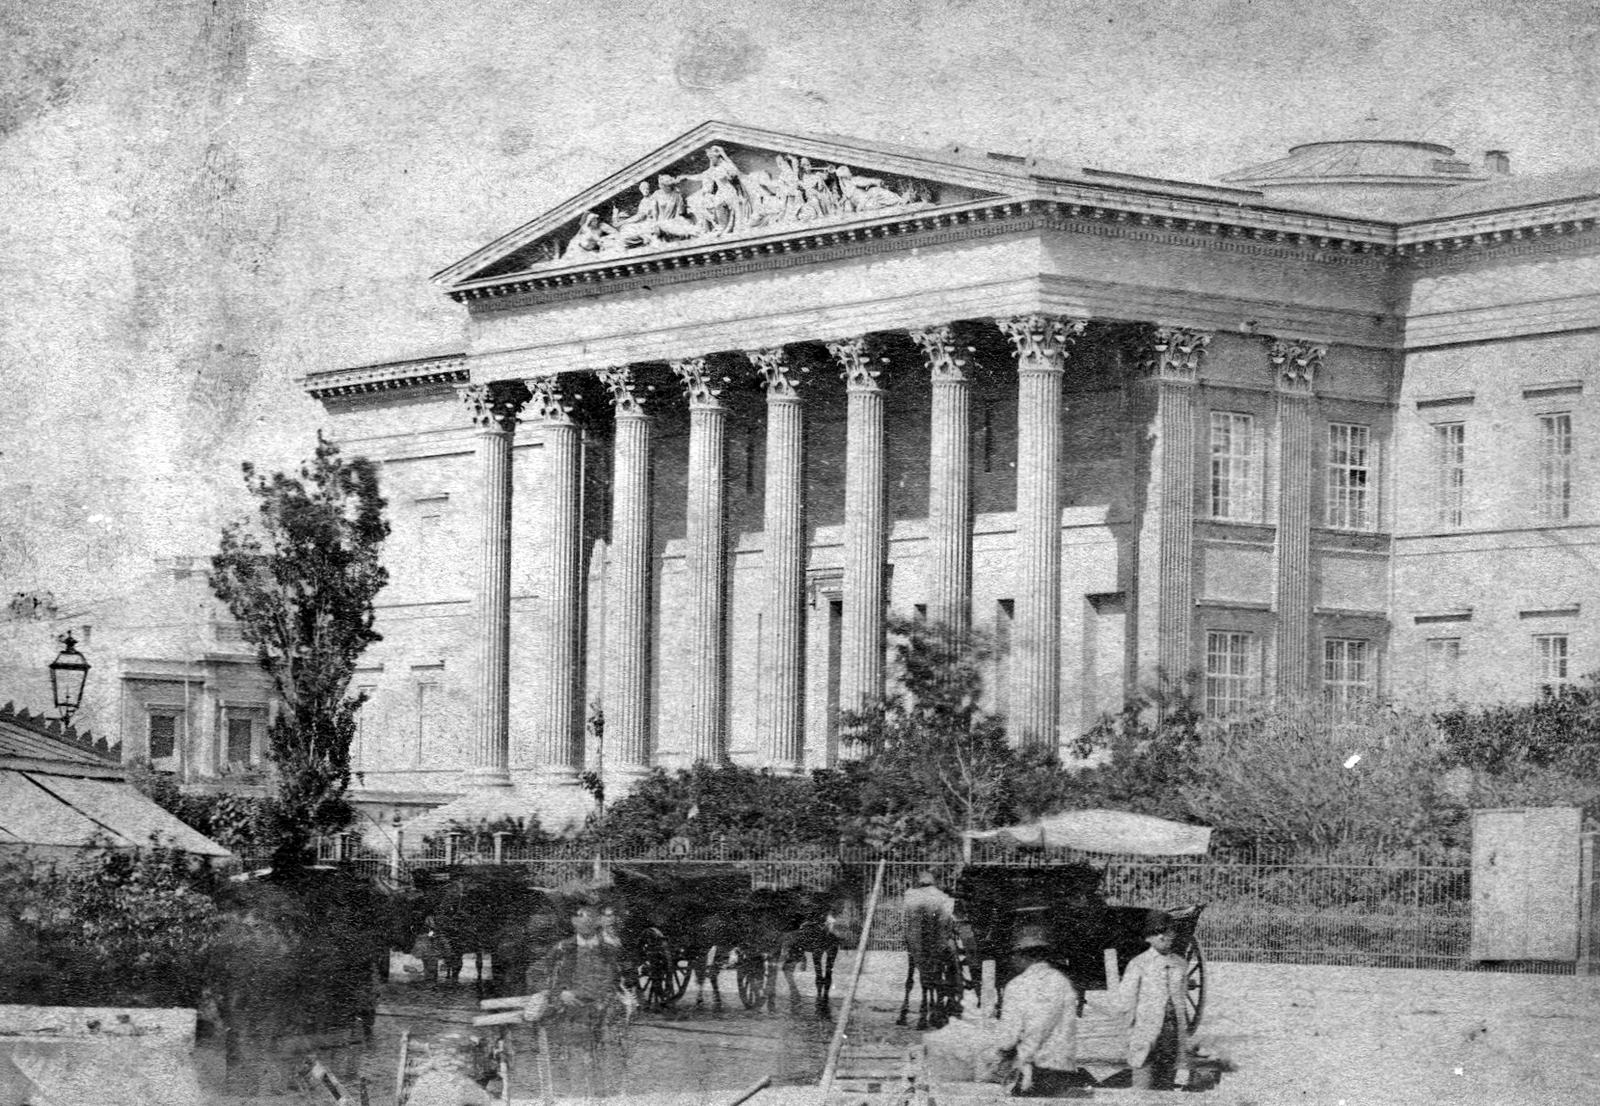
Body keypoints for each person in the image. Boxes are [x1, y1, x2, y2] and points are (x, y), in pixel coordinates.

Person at [994, 926, 1079, 1096]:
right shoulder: (1062, 982)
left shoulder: (1018, 985)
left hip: (1033, 1070)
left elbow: (1009, 1037)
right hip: (1063, 1069)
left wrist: (1002, 1055)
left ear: (1023, 955)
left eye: (1013, 955)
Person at [1118, 910, 1192, 1090]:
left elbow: (1181, 1003)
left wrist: (1183, 1037)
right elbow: (1126, 1005)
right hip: (1145, 1035)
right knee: (1143, 1087)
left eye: (1167, 932)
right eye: (1156, 933)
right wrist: (1129, 1039)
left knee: (1166, 1087)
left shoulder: (1180, 965)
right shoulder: (1138, 964)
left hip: (1172, 1035)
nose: (1162, 937)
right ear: (1148, 938)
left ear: (1173, 935)